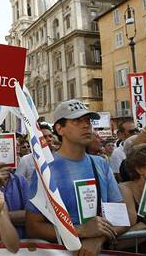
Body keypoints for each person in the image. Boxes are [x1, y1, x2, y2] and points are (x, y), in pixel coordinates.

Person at [25, 99, 126, 256]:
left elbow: (120, 217)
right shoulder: (46, 169)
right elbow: (33, 226)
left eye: (87, 121)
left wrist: (97, 239)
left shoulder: (101, 164)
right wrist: (80, 231)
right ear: (60, 129)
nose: (86, 125)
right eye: (77, 121)